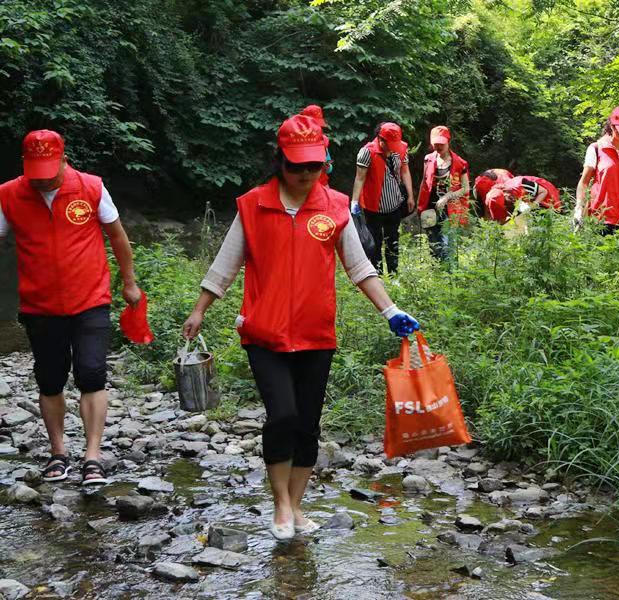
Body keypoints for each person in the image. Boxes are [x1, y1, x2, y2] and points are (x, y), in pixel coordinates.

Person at [182, 115, 419, 540]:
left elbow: (359, 267)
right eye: (298, 167)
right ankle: (281, 506)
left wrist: (390, 310)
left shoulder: (333, 207)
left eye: (315, 166)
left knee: (308, 423)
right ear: (280, 163)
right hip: (264, 333)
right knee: (283, 416)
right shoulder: (253, 205)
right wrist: (200, 309)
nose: (307, 175)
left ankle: (297, 505)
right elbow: (226, 263)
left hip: (315, 333)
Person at [0, 129, 142, 486]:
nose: (44, 179)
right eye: (37, 173)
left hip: (90, 298)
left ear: (64, 160)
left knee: (92, 372)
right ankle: (58, 452)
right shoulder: (8, 195)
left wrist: (129, 283)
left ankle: (92, 456)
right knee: (49, 379)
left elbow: (118, 236)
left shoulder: (91, 187)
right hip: (39, 304)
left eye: (51, 170)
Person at [350, 122, 414, 275]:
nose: (393, 148)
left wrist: (410, 196)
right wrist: (354, 202)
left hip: (395, 205)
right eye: (390, 144)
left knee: (393, 241)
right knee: (375, 243)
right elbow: (360, 178)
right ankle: (376, 275)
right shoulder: (366, 152)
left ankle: (394, 275)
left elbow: (405, 172)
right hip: (374, 208)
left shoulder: (401, 149)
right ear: (381, 139)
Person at [573, 106, 619, 233]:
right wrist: (579, 207)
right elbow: (584, 182)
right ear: (613, 126)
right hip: (601, 217)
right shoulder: (597, 148)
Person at [417, 125, 470, 261]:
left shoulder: (460, 163)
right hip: (430, 207)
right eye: (436, 144)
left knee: (447, 244)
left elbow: (465, 188)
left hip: (450, 209)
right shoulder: (428, 159)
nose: (439, 147)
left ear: (448, 142)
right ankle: (436, 274)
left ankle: (450, 274)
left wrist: (447, 197)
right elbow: (424, 181)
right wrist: (419, 204)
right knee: (432, 241)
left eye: (442, 144)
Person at [300, 105, 333, 187]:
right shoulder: (296, 140)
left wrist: (327, 167)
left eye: (318, 124)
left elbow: (329, 167)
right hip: (302, 184)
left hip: (322, 183)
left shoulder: (323, 140)